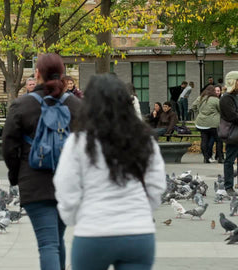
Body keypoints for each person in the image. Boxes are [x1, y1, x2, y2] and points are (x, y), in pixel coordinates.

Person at [53, 73, 166, 270]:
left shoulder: (79, 142)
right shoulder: (144, 139)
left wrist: (74, 218)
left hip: (93, 232)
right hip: (137, 233)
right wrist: (141, 211)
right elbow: (156, 185)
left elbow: (66, 186)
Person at [2, 53, 82, 270]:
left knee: (48, 243)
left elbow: (9, 147)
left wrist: (16, 175)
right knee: (57, 239)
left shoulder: (22, 105)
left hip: (35, 183)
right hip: (68, 185)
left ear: (36, 74)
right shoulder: (76, 106)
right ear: (62, 74)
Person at [191, 85, 220, 163]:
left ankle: (206, 158)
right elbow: (220, 109)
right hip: (213, 123)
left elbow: (193, 107)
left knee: (204, 140)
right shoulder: (215, 99)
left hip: (201, 123)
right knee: (218, 140)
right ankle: (220, 157)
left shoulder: (200, 98)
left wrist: (199, 112)